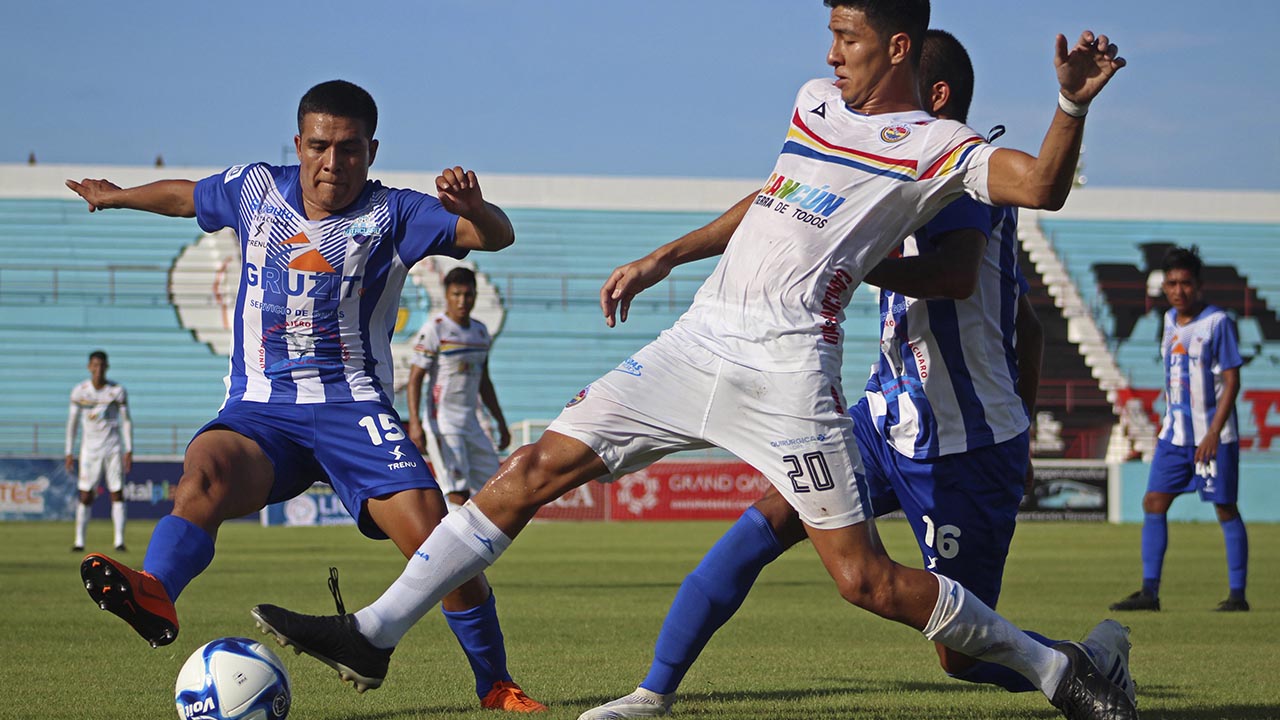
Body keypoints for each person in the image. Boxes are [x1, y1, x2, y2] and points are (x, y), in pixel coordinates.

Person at [253, 4, 1132, 719]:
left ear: (897, 47)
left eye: (847, 37)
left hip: (789, 372)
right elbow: (773, 198)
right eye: (829, 34)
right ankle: (374, 633)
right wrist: (666, 257)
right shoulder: (814, 102)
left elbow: (1040, 186)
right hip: (697, 341)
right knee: (530, 469)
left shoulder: (935, 144)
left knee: (864, 581)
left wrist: (1071, 105)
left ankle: (1059, 672)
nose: (830, 53)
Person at [578, 28, 1136, 719]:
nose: (852, 81)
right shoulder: (872, 162)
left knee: (960, 657)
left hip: (965, 444)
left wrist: (847, 261)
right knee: (759, 527)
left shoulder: (957, 173)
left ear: (933, 95)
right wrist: (669, 255)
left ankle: (1086, 663)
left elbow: (958, 275)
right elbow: (775, 202)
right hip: (881, 419)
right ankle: (652, 694)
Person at [66, 80, 546, 712]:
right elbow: (185, 197)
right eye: (320, 146)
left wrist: (476, 209)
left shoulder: (395, 213)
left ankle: (496, 685)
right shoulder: (255, 189)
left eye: (349, 149)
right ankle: (156, 590)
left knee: (438, 541)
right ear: (298, 145)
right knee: (204, 471)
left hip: (354, 408)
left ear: (372, 151)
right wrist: (118, 196)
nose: (333, 162)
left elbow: (496, 237)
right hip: (260, 411)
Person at [1110, 246, 1248, 613]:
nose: (1178, 290)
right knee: (1154, 502)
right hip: (1174, 436)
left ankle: (1237, 596)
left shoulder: (1218, 323)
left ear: (1199, 285)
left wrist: (1213, 432)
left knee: (1224, 507)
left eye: (1185, 283)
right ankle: (1149, 592)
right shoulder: (1169, 319)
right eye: (1171, 283)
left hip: (1212, 437)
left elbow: (1232, 381)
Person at [406, 266, 511, 511]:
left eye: (468, 295)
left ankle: (478, 534)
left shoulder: (480, 332)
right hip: (443, 423)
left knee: (496, 487)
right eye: (456, 295)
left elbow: (484, 381)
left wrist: (500, 421)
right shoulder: (435, 329)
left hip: (471, 423)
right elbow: (415, 378)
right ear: (446, 295)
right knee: (457, 492)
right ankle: (449, 535)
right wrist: (415, 423)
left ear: (475, 295)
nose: (462, 301)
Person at [66, 350, 133, 553]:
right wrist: (69, 452)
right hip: (90, 450)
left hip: (113, 448)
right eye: (95, 365)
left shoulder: (117, 391)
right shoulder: (80, 392)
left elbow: (126, 421)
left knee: (117, 493)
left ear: (107, 367)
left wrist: (129, 449)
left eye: (102, 365)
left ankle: (119, 541)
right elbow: (72, 424)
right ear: (89, 367)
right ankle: (79, 541)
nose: (98, 369)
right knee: (86, 495)